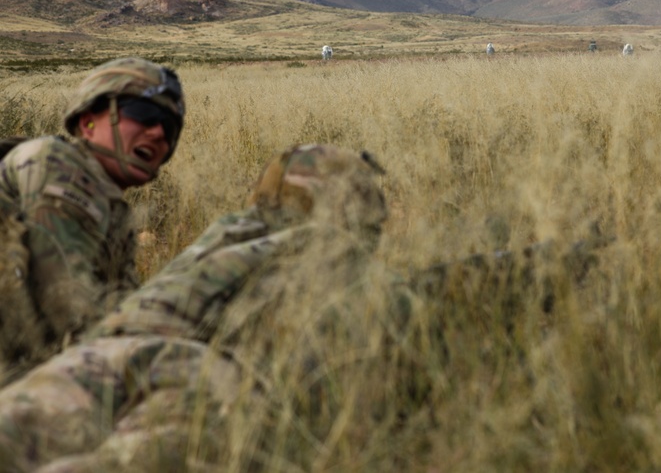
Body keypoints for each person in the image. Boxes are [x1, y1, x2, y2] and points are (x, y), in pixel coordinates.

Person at [0, 143, 605, 472]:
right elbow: (414, 306)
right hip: (194, 394)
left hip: (82, 371)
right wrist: (555, 267)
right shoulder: (320, 258)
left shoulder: (222, 244)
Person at [0, 57, 185, 375]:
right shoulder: (55, 163)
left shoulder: (112, 212)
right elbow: (69, 309)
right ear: (87, 123)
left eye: (170, 128)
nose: (158, 133)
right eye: (144, 114)